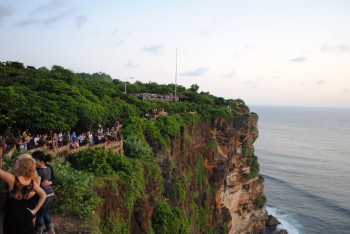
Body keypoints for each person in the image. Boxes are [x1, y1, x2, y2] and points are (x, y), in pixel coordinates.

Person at [1, 154, 46, 234]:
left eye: (18, 160)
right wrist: (34, 211)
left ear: (22, 164)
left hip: (12, 216)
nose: (16, 161)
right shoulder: (31, 182)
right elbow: (43, 195)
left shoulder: (12, 179)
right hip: (26, 216)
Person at [32, 151, 56, 234]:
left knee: (40, 215)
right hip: (51, 194)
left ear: (41, 162)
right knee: (45, 213)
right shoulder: (48, 168)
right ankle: (51, 230)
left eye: (35, 160)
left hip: (44, 195)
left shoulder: (39, 171)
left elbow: (37, 185)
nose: (33, 162)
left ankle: (39, 231)